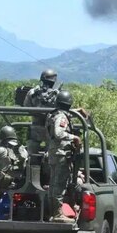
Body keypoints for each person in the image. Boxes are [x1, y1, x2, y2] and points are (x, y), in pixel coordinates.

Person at [46, 90, 81, 222]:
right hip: (61, 155)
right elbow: (59, 133)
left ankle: (53, 213)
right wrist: (74, 137)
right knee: (59, 185)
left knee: (53, 185)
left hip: (54, 154)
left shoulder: (53, 114)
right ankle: (57, 214)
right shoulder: (61, 117)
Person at [24, 69, 59, 154]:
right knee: (51, 153)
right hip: (51, 129)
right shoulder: (57, 94)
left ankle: (31, 164)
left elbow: (26, 106)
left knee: (31, 153)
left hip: (35, 128)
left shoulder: (32, 92)